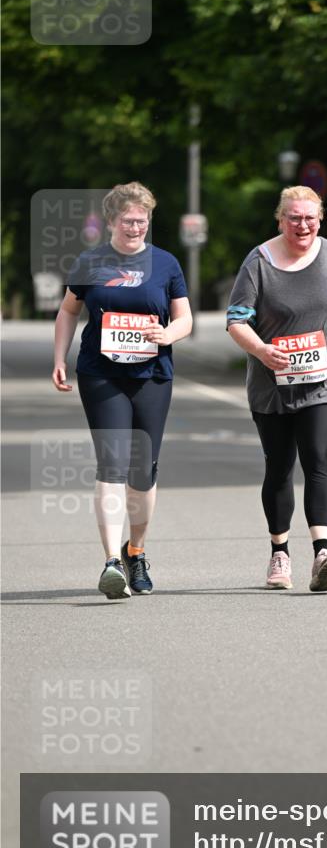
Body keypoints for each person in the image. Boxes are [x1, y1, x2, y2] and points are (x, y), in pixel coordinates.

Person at [52, 182, 192, 600]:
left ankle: (137, 551)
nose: (136, 226)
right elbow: (67, 311)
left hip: (152, 375)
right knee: (111, 465)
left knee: (142, 471)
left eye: (142, 219)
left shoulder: (166, 264)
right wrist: (59, 358)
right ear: (111, 221)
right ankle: (111, 561)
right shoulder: (90, 261)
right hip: (101, 374)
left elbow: (184, 319)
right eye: (128, 219)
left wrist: (167, 334)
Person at [227, 185, 327, 592]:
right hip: (273, 386)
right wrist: (261, 350)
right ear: (280, 219)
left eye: (309, 217)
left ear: (320, 219)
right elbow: (236, 320)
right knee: (280, 466)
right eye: (294, 217)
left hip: (325, 379)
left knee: (318, 457)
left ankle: (323, 553)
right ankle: (280, 552)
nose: (302, 224)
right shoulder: (259, 261)